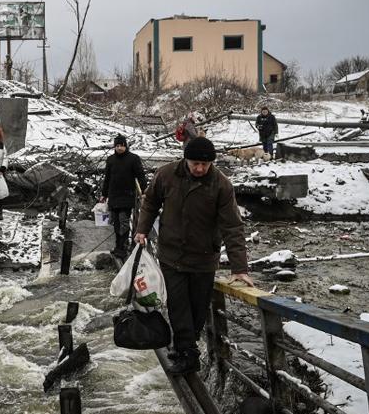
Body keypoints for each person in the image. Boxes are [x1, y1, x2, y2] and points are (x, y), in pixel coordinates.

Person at [134, 137, 254, 375]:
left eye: (205, 164)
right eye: (195, 163)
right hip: (172, 255)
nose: (200, 168)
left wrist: (239, 268)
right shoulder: (166, 175)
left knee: (198, 310)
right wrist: (141, 230)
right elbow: (150, 202)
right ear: (185, 159)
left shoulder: (221, 185)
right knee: (178, 306)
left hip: (204, 257)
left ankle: (184, 348)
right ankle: (188, 355)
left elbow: (232, 226)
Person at [100, 134, 148, 259]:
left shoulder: (133, 159)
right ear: (114, 147)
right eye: (117, 146)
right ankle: (118, 246)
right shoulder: (110, 160)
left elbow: (141, 175)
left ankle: (123, 246)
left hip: (127, 195)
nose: (120, 148)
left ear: (126, 146)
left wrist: (144, 190)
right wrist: (104, 194)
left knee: (124, 221)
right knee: (116, 222)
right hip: (114, 195)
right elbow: (107, 178)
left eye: (122, 145)